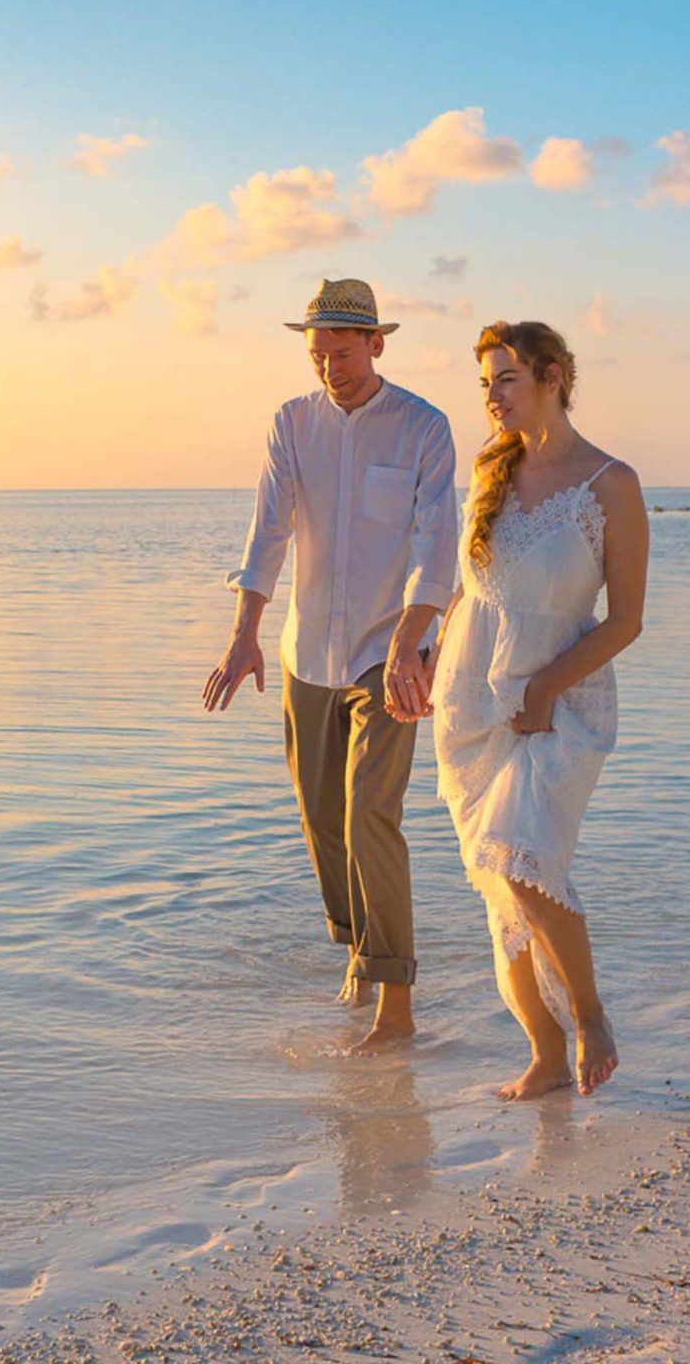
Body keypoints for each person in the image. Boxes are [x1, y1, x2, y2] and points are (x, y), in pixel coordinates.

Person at [202, 279, 459, 1054]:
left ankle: (396, 1004)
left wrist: (416, 637)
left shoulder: (424, 428)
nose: (330, 369)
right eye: (318, 355)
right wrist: (245, 631)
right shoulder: (293, 423)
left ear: (377, 343)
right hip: (306, 653)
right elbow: (268, 534)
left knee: (367, 815)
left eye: (342, 353)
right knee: (322, 821)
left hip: (389, 656)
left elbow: (436, 544)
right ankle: (357, 948)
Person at [398, 320, 648, 1099]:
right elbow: (478, 592)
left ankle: (592, 1017)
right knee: (497, 881)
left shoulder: (610, 484)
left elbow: (626, 620)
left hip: (560, 701)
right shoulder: (491, 470)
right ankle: (542, 1051)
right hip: (472, 699)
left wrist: (543, 689)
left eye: (505, 378)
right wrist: (431, 659)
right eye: (485, 383)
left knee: (525, 858)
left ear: (552, 377)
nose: (492, 397)